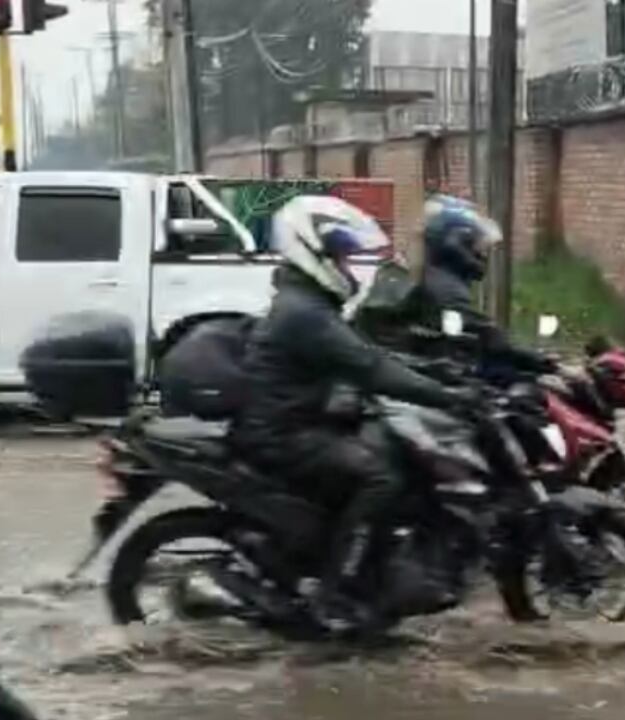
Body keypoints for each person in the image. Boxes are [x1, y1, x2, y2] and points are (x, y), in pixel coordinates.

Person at [230, 195, 470, 634]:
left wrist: (433, 372)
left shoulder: (309, 302)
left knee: (386, 449)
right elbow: (369, 367)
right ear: (312, 251)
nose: (348, 266)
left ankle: (363, 568)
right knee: (382, 476)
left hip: (296, 420)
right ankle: (335, 592)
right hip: (283, 434)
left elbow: (365, 355)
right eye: (342, 256)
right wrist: (447, 397)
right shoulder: (305, 313)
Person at [416, 194, 557, 382]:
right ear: (457, 247)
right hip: (458, 378)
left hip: (452, 370)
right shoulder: (448, 292)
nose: (482, 256)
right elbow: (493, 339)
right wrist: (546, 364)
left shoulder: (435, 279)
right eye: (477, 247)